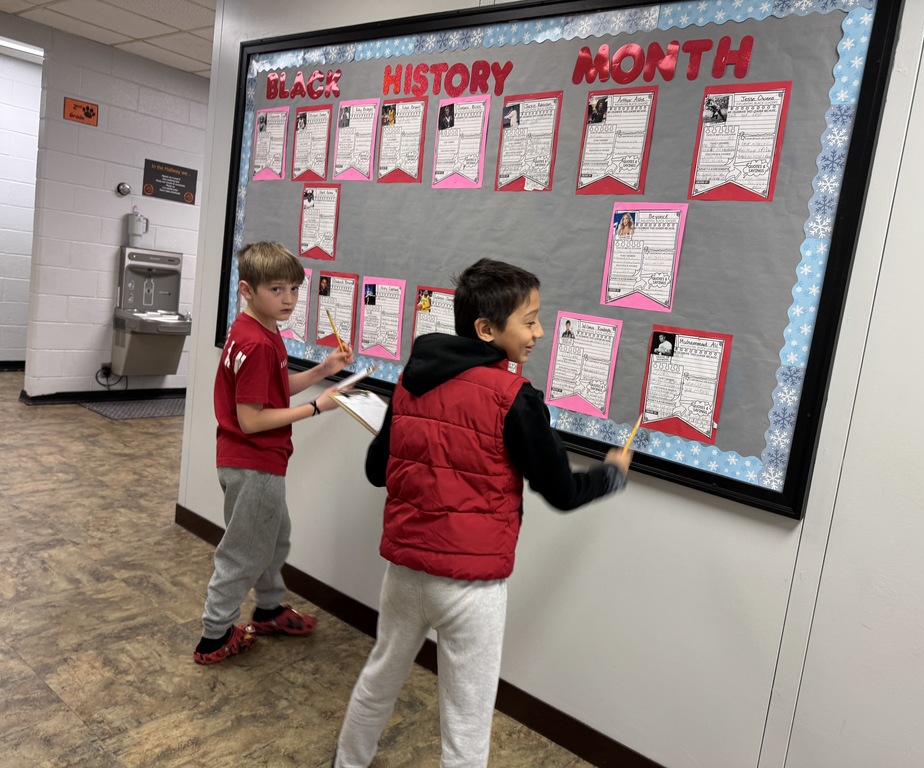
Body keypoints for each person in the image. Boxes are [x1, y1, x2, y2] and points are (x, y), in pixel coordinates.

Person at [334, 258, 633, 767]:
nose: (539, 332)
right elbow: (560, 491)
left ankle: (347, 762)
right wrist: (611, 473)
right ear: (486, 330)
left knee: (379, 679)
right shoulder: (515, 398)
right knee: (467, 719)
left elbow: (375, 471)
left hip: (404, 575)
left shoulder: (410, 381)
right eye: (530, 319)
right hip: (471, 588)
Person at [193, 242, 355, 665]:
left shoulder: (255, 329)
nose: (288, 300)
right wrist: (320, 406)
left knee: (273, 538)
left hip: (248, 462)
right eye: (277, 290)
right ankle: (214, 636)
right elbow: (252, 419)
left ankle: (267, 609)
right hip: (254, 463)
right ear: (247, 289)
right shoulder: (259, 343)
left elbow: (273, 388)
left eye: (295, 290)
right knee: (244, 551)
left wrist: (321, 373)